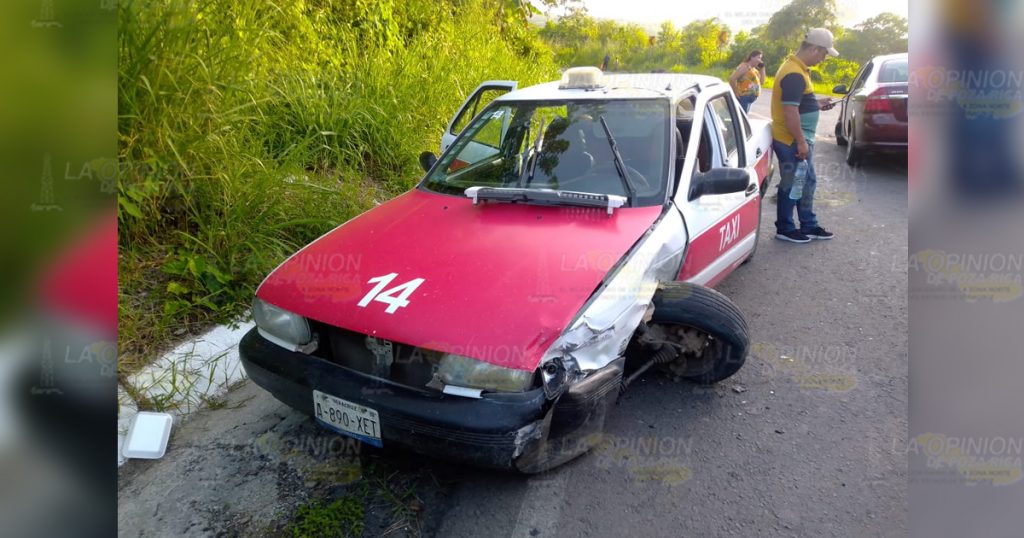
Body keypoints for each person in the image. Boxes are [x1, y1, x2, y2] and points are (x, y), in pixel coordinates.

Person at [770, 28, 839, 243]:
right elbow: (790, 113)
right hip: (792, 141)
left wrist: (816, 105)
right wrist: (800, 142)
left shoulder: (798, 69)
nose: (823, 58)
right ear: (815, 49)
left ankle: (808, 225)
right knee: (793, 184)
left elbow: (798, 104)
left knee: (805, 183)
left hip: (797, 140)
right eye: (824, 54)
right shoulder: (794, 73)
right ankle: (785, 228)